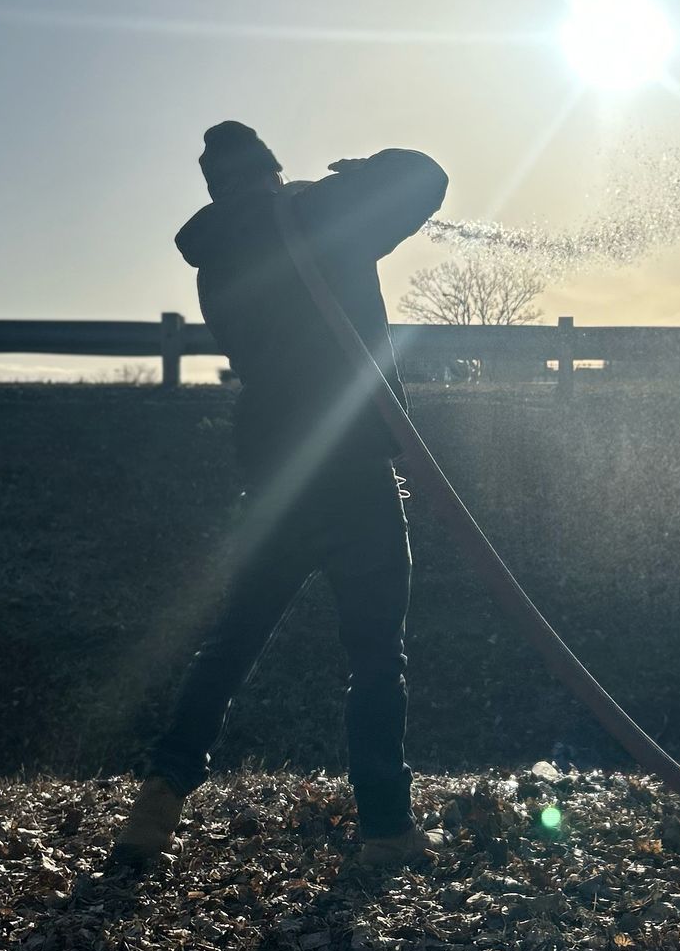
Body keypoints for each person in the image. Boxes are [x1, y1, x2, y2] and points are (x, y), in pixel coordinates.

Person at [110, 121, 448, 871]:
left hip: (273, 478)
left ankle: (157, 803)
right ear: (270, 172)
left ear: (216, 190)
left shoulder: (215, 257)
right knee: (376, 659)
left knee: (230, 646)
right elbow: (426, 175)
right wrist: (362, 169)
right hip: (354, 473)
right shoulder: (318, 213)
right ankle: (387, 830)